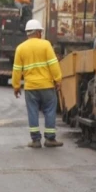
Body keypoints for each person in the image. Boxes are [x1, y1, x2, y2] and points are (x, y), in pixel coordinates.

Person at [12, 19, 64, 149]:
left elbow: (17, 69)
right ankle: (50, 139)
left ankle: (35, 140)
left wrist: (16, 86)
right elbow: (53, 64)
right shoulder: (46, 45)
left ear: (27, 33)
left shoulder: (20, 48)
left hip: (31, 88)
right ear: (39, 32)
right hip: (47, 86)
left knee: (32, 112)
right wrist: (58, 80)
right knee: (50, 110)